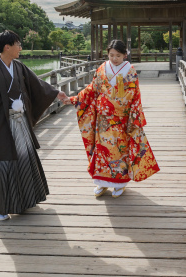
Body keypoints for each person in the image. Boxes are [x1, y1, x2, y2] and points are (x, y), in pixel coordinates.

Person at [0, 30, 69, 220]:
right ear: (7, 47)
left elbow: (37, 84)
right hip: (0, 125)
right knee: (2, 163)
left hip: (19, 122)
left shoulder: (18, 66)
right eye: (18, 44)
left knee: (24, 159)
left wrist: (56, 93)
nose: (20, 48)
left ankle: (25, 200)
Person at [68, 39, 160, 197]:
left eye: (118, 55)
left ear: (125, 55)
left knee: (118, 151)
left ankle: (119, 183)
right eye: (111, 55)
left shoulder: (130, 70)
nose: (114, 58)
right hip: (103, 120)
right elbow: (92, 89)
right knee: (102, 150)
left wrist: (130, 116)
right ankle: (101, 182)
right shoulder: (102, 68)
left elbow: (134, 95)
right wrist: (75, 99)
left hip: (121, 119)